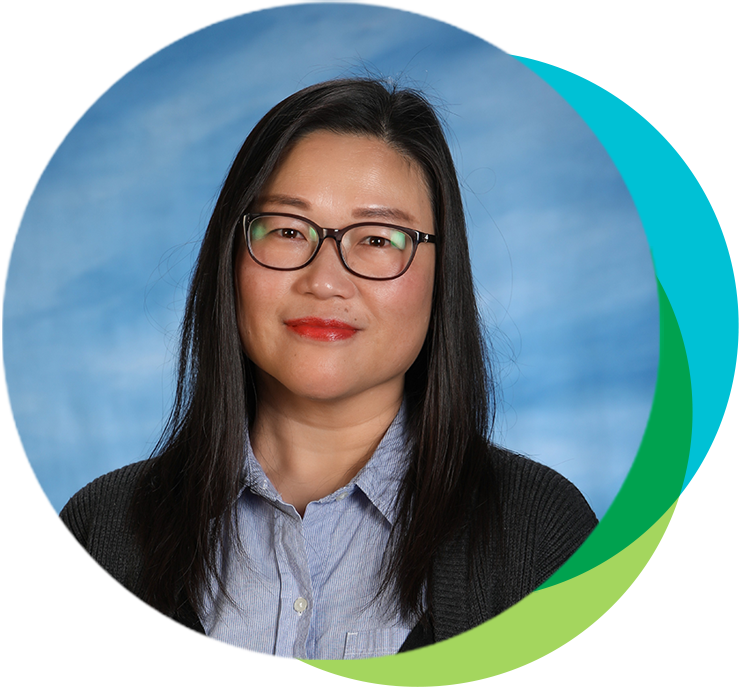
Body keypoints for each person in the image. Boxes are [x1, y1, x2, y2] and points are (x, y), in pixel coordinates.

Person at [59, 78, 597, 660]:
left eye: (378, 240)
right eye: (288, 231)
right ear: (230, 255)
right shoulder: (102, 532)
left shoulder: (541, 535)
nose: (325, 280)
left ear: (442, 276)